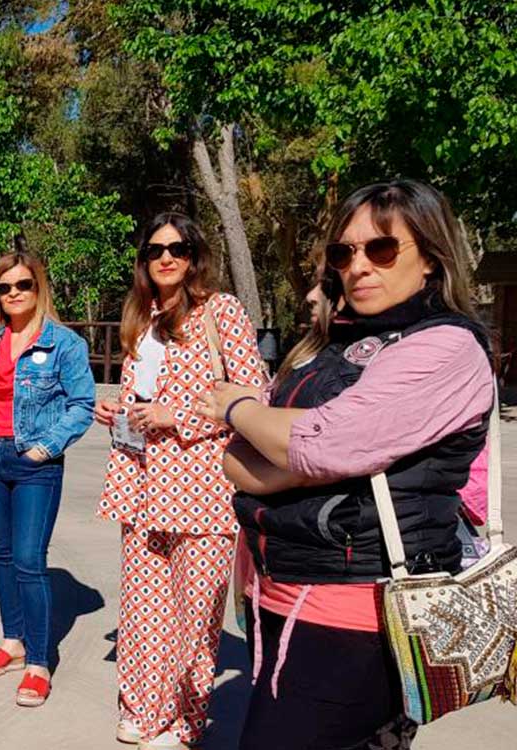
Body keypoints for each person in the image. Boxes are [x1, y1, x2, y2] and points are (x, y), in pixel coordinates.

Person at [201, 180, 492, 750]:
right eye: (344, 252)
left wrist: (235, 405)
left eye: (381, 249)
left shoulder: (446, 349)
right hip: (282, 586)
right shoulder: (336, 345)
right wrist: (285, 445)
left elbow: (317, 443)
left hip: (359, 608)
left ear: (430, 258)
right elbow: (243, 458)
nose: (358, 266)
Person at [93, 214, 268, 749]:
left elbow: (255, 395)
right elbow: (146, 396)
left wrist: (180, 417)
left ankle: (184, 722)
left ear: (195, 256)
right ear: (143, 259)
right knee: (143, 612)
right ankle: (142, 709)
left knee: (195, 617)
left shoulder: (222, 311)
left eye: (178, 248)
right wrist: (123, 413)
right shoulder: (141, 316)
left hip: (201, 491)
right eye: (155, 249)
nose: (166, 257)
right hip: (140, 483)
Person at [0, 244, 96, 708]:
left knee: (31, 560)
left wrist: (45, 447)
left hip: (34, 463)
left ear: (39, 288)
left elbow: (82, 406)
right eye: (4, 287)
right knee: (5, 553)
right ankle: (12, 641)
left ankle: (38, 661)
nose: (13, 293)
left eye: (23, 285)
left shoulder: (65, 344)